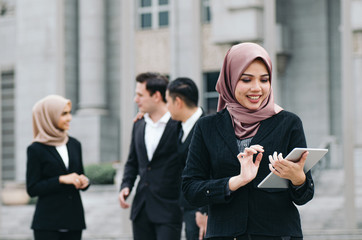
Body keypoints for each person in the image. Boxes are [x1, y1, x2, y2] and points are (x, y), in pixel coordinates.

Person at [182, 42, 314, 240]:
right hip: (224, 234)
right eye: (246, 79)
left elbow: (304, 196)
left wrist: (298, 179)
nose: (257, 88)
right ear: (230, 80)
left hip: (278, 234)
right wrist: (235, 182)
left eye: (264, 79)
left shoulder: (288, 123)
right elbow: (190, 190)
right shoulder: (207, 127)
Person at [119, 72, 183, 240]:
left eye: (140, 95)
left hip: (169, 208)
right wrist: (126, 185)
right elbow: (132, 162)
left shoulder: (179, 125)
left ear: (156, 96)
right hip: (141, 209)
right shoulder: (138, 124)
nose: (135, 99)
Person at [26, 95, 90, 240]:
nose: (69, 118)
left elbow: (80, 175)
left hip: (74, 221)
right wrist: (61, 179)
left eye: (69, 113)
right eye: (64, 114)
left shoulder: (75, 144)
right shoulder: (36, 149)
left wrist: (84, 181)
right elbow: (32, 188)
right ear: (49, 117)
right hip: (48, 224)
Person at [165, 77, 207, 240]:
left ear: (178, 102)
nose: (166, 107)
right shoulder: (177, 126)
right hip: (184, 204)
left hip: (200, 208)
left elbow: (212, 170)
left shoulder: (207, 126)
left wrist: (204, 210)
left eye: (167, 102)